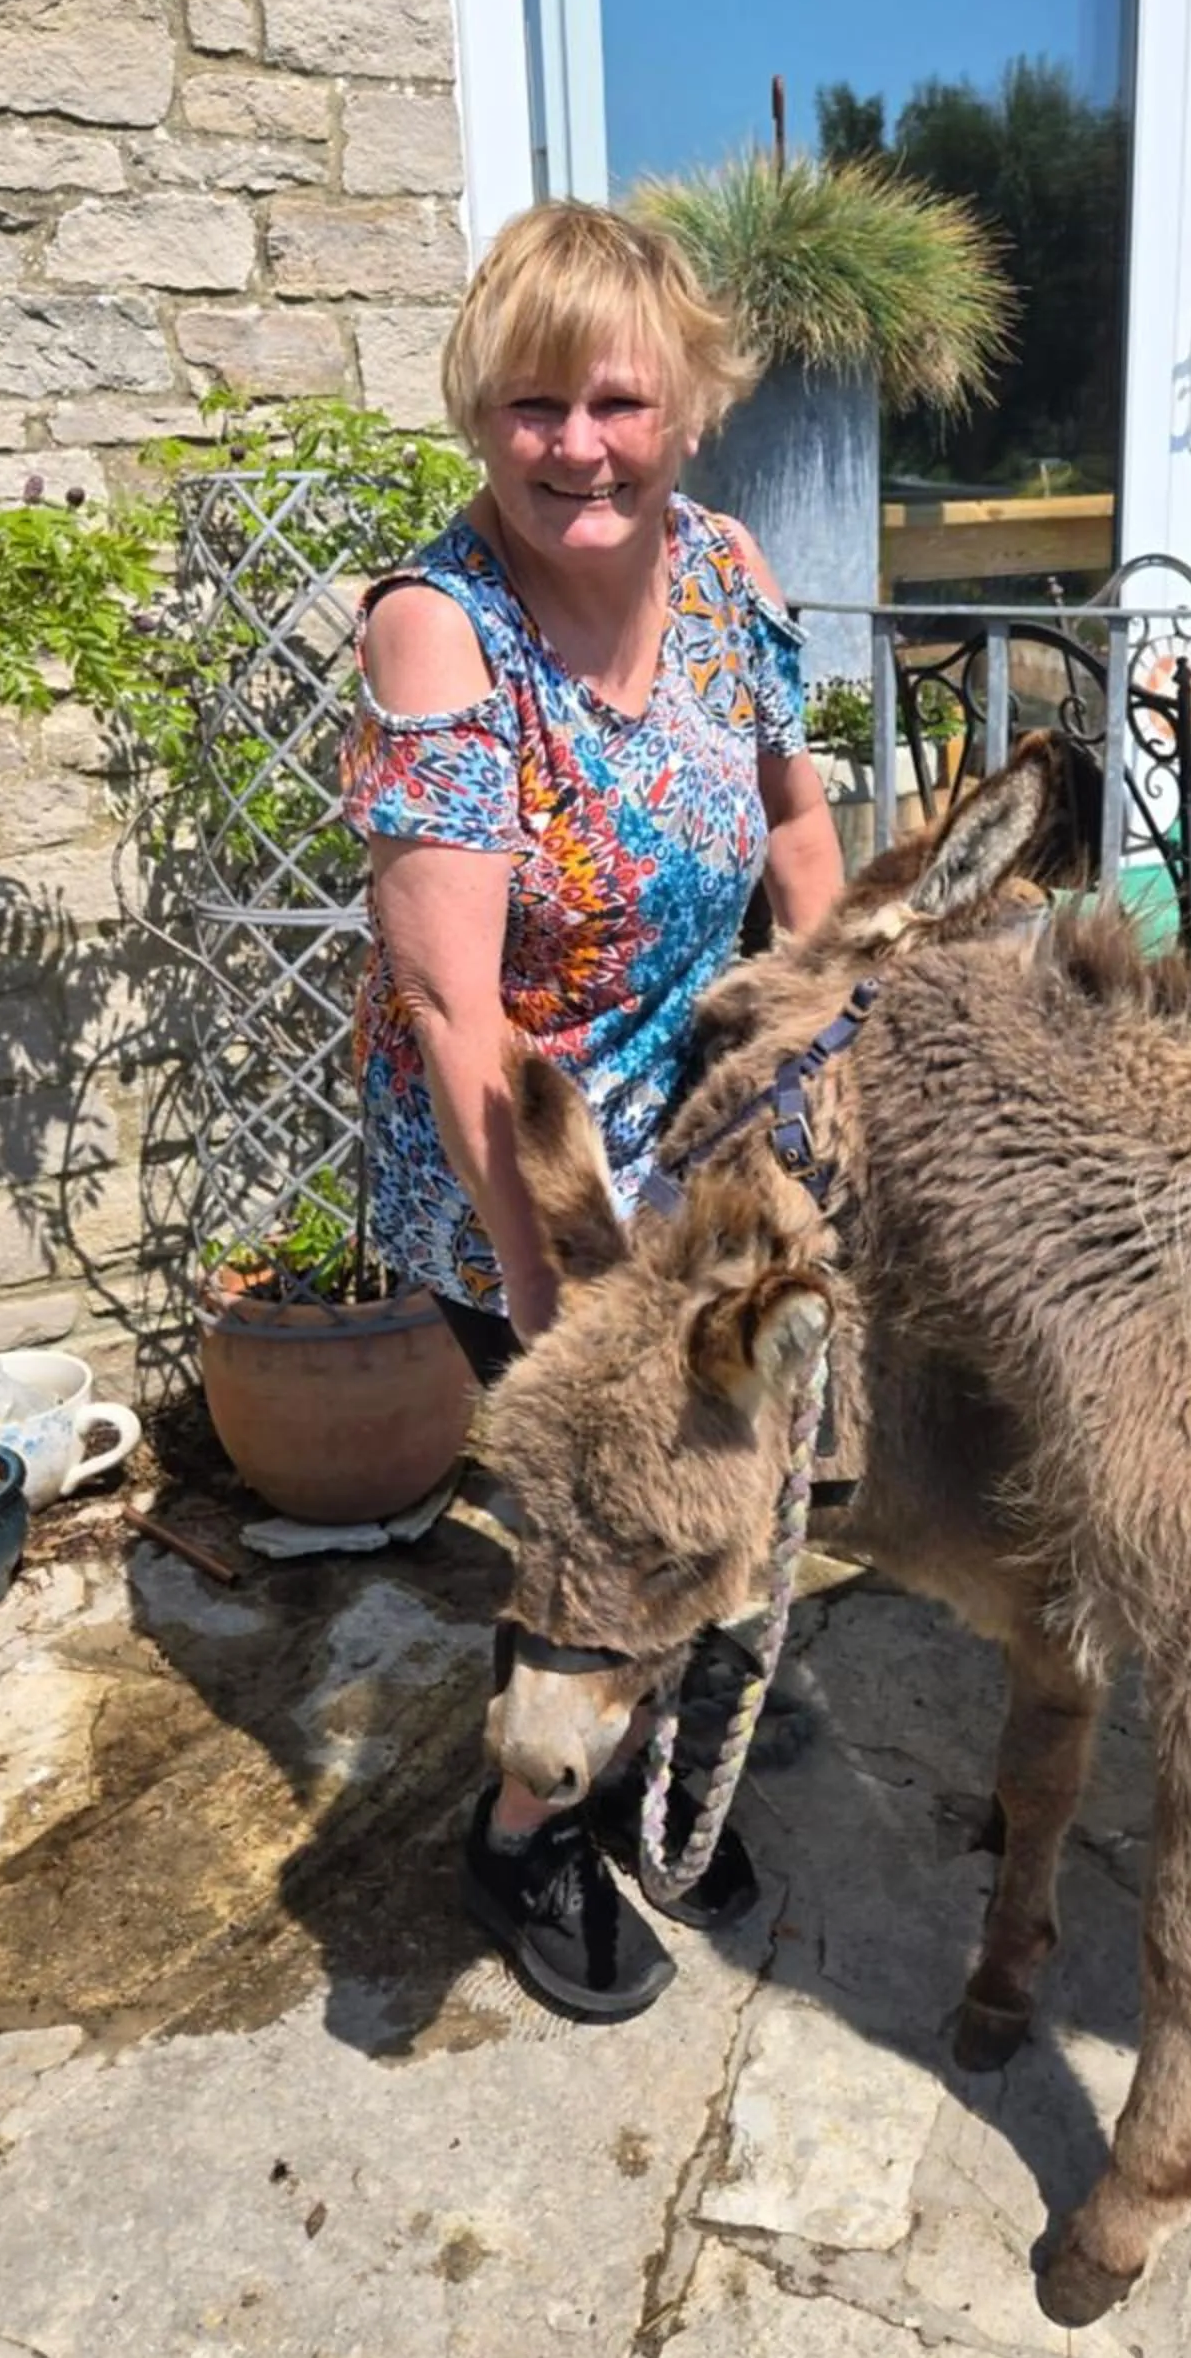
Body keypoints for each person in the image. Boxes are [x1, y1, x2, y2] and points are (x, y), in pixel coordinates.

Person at [340, 200, 846, 2022]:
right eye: (534, 404)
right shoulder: (441, 635)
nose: (577, 447)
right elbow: (450, 1004)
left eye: (616, 402)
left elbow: (796, 835)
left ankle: (674, 1748)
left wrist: (828, 1042)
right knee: (583, 1523)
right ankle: (529, 1829)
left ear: (688, 409)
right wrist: (554, 1301)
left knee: (742, 1470)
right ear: (481, 414)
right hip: (524, 1172)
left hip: (707, 1151)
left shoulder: (727, 577)